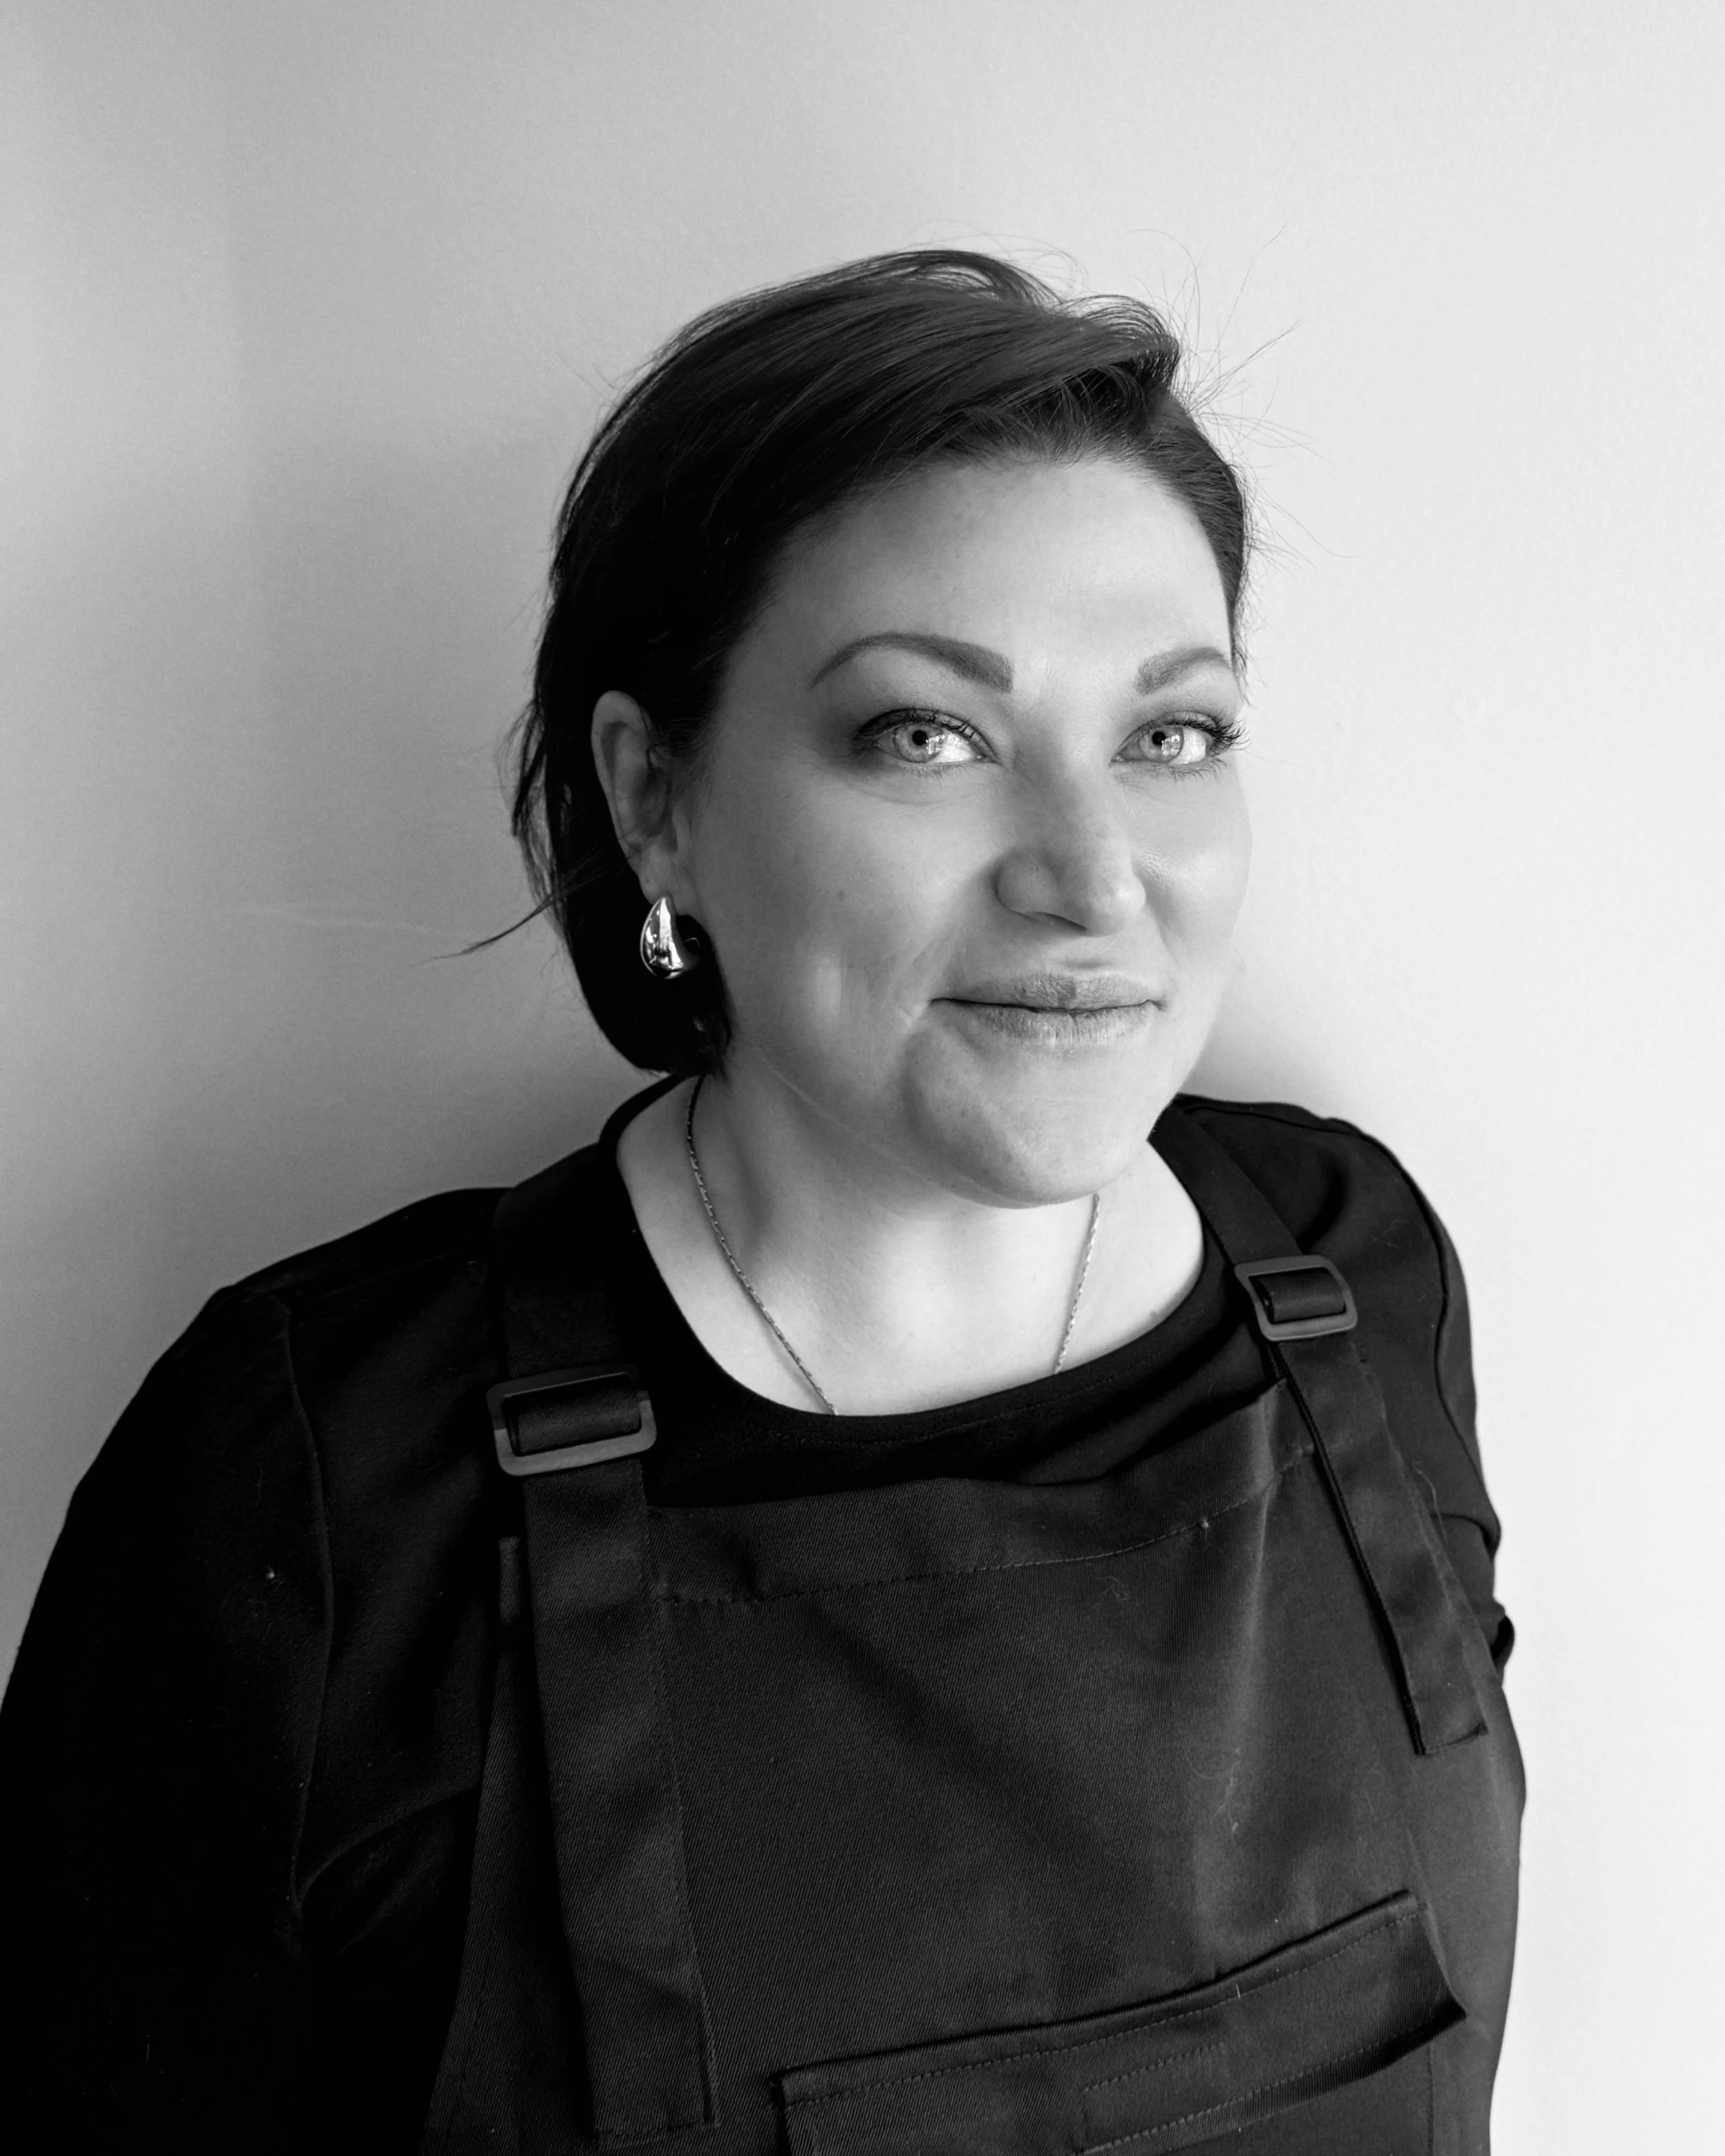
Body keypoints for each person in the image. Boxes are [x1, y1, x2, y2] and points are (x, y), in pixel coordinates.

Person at [1, 250, 1521, 2153]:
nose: (1091, 877)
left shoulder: (1359, 1280)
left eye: (1170, 733)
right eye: (926, 734)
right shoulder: (317, 1475)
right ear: (656, 800)